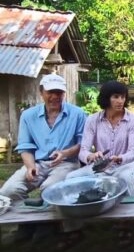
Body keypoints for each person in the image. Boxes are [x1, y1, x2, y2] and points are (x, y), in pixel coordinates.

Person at [0, 74, 86, 242]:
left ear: (64, 93)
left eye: (59, 92)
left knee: (50, 188)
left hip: (66, 163)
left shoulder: (77, 114)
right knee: (10, 190)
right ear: (41, 93)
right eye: (50, 92)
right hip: (38, 162)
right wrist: (30, 166)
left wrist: (65, 153)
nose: (55, 96)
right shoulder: (28, 116)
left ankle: (62, 228)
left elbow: (84, 144)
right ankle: (27, 224)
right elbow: (25, 146)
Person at [64, 80, 134, 248]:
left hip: (127, 164)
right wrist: (92, 155)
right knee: (71, 178)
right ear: (107, 98)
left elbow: (133, 153)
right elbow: (83, 150)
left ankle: (125, 225)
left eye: (123, 97)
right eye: (116, 97)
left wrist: (119, 158)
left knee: (124, 178)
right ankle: (74, 228)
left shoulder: (133, 120)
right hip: (100, 165)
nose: (120, 101)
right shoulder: (93, 120)